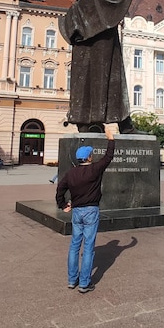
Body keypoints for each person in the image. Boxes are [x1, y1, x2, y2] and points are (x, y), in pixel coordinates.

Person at [59, 0, 139, 134]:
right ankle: (125, 126)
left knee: (84, 85)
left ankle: (86, 125)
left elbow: (68, 31)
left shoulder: (74, 9)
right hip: (106, 50)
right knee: (114, 83)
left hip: (83, 56)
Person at [56, 125, 115, 293]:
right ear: (89, 156)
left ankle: (71, 280)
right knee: (88, 247)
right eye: (91, 154)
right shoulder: (95, 170)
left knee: (75, 245)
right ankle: (84, 283)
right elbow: (108, 157)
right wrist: (110, 139)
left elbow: (60, 189)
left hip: (77, 212)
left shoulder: (71, 173)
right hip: (91, 211)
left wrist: (63, 205)